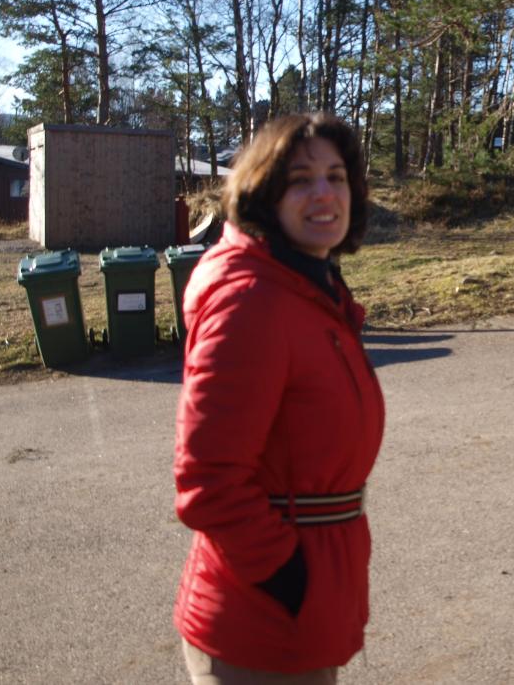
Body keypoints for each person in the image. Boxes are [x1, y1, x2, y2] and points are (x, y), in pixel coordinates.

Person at [173, 113, 384, 684]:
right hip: (257, 623)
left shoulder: (308, 287)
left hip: (306, 606)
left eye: (337, 177)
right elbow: (209, 482)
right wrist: (289, 579)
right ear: (265, 193)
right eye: (300, 179)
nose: (324, 193)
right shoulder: (251, 302)